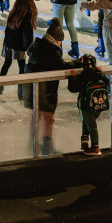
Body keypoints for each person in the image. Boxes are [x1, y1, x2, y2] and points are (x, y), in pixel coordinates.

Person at [22, 17, 83, 156]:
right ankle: (47, 147)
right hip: (44, 87)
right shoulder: (53, 49)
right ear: (57, 39)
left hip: (29, 83)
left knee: (35, 113)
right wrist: (78, 62)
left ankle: (31, 144)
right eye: (61, 41)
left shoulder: (38, 44)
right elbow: (60, 65)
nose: (61, 44)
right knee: (48, 117)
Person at [67, 52, 109, 156]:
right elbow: (106, 82)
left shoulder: (83, 76)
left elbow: (73, 88)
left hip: (86, 105)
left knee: (91, 125)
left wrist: (72, 77)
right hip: (99, 105)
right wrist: (101, 72)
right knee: (88, 121)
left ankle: (95, 147)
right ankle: (85, 140)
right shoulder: (98, 74)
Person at [0, 0, 36, 96]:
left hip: (9, 44)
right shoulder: (27, 16)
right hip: (19, 46)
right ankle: (21, 90)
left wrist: (5, 44)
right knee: (22, 67)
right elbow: (27, 35)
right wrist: (29, 48)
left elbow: (7, 31)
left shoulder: (13, 13)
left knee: (7, 63)